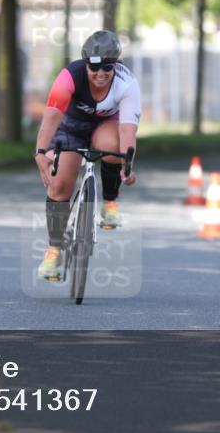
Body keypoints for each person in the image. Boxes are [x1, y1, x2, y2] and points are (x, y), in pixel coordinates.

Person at [33, 30, 141, 280]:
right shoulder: (70, 76)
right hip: (71, 126)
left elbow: (127, 130)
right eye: (94, 67)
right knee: (59, 184)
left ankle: (110, 202)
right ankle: (54, 250)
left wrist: (127, 165)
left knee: (113, 147)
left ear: (116, 65)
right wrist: (40, 152)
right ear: (85, 64)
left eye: (107, 67)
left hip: (106, 127)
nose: (101, 73)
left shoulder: (127, 83)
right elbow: (51, 118)